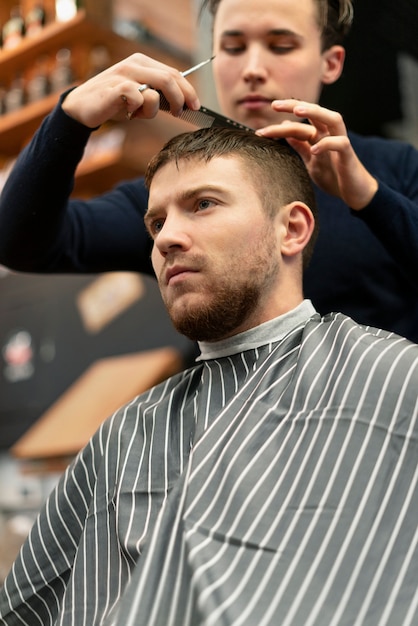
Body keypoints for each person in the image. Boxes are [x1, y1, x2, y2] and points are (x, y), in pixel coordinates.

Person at [1, 127, 418, 626]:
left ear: (292, 229)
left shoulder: (393, 378)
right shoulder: (128, 433)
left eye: (203, 204)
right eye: (155, 223)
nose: (167, 238)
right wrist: (68, 120)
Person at [1, 0, 418, 342]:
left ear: (331, 62)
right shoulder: (172, 199)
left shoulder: (394, 169)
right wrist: (69, 119)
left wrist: (369, 197)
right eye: (234, 49)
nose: (253, 68)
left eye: (281, 45)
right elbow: (18, 242)